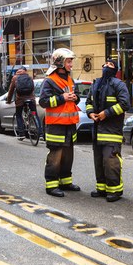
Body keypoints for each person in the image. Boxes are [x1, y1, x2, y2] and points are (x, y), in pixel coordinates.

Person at [86, 58, 130, 202]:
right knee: (99, 161)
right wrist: (90, 112)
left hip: (112, 130)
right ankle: (101, 188)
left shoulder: (119, 85)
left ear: (115, 69)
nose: (106, 66)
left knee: (111, 161)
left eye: (110, 64)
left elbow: (125, 104)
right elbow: (89, 102)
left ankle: (115, 190)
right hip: (97, 130)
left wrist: (107, 113)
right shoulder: (96, 84)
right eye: (105, 63)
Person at [39, 48, 80, 197]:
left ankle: (65, 182)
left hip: (69, 124)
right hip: (56, 125)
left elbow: (76, 96)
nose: (71, 64)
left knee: (68, 156)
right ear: (61, 63)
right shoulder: (49, 80)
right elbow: (43, 102)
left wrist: (76, 97)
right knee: (55, 155)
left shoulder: (70, 79)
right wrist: (62, 98)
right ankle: (51, 185)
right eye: (69, 61)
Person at [6, 65, 39, 140]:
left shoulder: (15, 78)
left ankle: (21, 134)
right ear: (25, 71)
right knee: (35, 115)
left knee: (18, 115)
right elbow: (33, 88)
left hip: (20, 100)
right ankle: (40, 134)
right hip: (31, 100)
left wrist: (8, 100)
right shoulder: (29, 77)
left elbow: (11, 91)